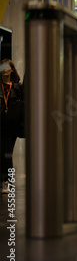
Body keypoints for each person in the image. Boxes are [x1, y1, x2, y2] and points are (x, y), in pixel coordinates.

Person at [0, 59, 24, 194]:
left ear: (11, 69)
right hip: (1, 122)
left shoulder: (17, 87)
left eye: (7, 67)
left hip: (11, 124)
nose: (4, 69)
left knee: (7, 153)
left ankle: (8, 181)